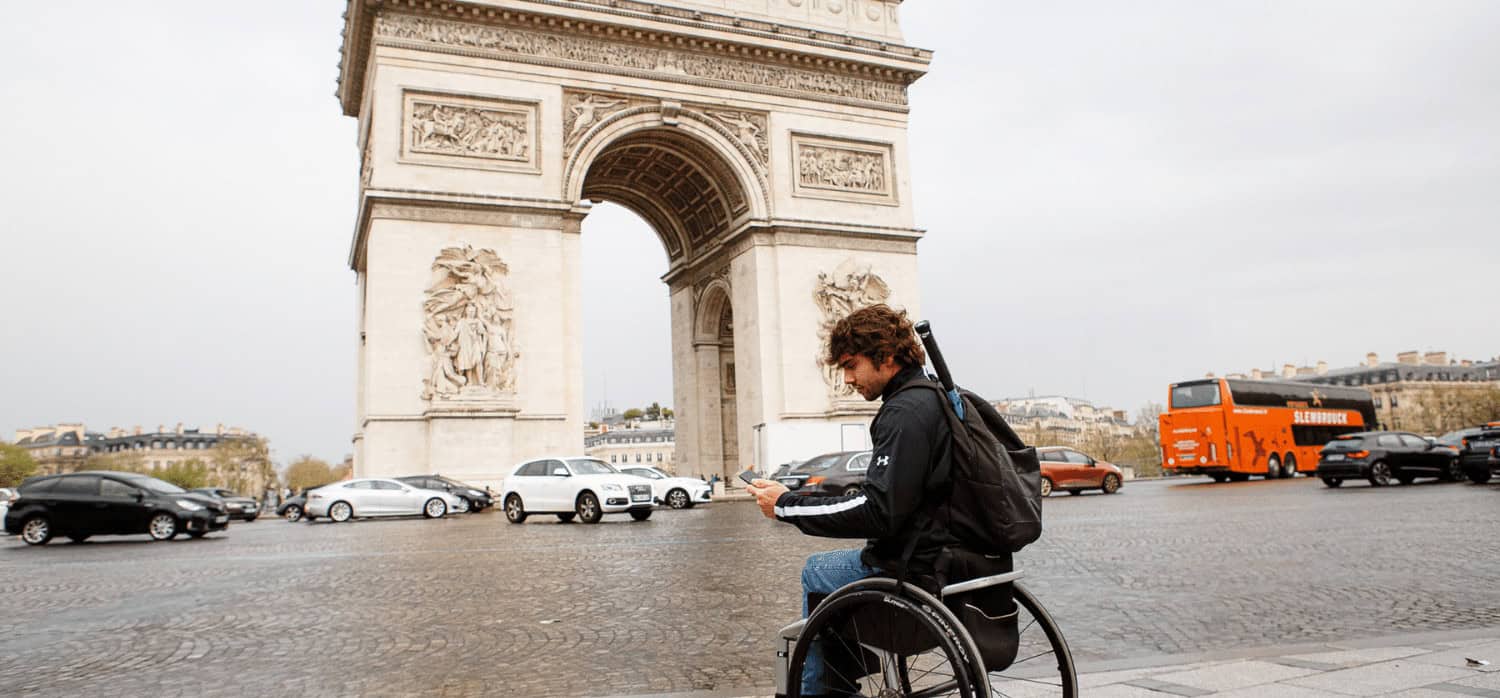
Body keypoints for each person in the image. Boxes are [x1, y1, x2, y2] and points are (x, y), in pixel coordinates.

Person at [746, 304, 959, 698]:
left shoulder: (903, 412)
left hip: (911, 565)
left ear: (886, 355)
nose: (846, 379)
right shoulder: (933, 397)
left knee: (816, 570)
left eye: (851, 364)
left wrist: (786, 505)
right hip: (947, 550)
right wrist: (803, 497)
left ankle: (824, 690)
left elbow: (878, 512)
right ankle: (842, 673)